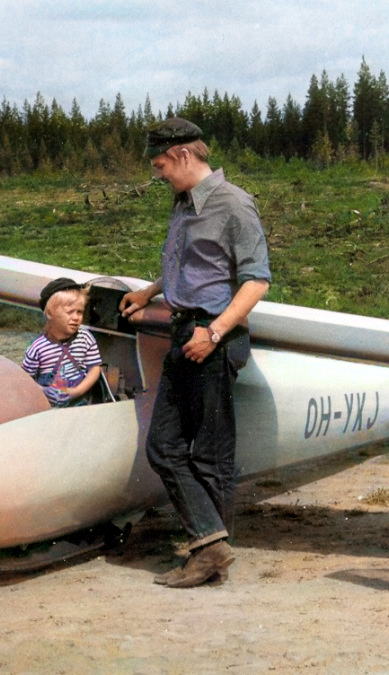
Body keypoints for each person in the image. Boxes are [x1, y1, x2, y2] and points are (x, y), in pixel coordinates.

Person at [120, 117, 271, 588]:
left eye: (161, 165)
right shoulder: (184, 202)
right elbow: (194, 266)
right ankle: (211, 546)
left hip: (213, 336)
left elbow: (256, 281)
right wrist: (149, 292)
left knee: (210, 453)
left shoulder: (234, 203)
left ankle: (209, 559)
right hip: (185, 331)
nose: (159, 174)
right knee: (163, 445)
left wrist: (215, 333)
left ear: (184, 155)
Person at [23, 278, 102, 407]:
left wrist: (77, 391)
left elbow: (95, 368)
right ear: (50, 314)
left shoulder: (85, 338)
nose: (76, 317)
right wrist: (43, 391)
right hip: (49, 406)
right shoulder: (38, 348)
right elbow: (26, 379)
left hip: (81, 402)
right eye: (70, 312)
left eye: (79, 312)